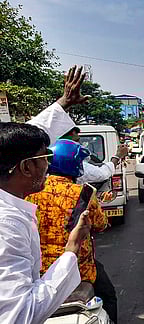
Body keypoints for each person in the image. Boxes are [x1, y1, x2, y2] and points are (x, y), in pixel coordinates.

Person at [0, 122, 91, 323]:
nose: (48, 165)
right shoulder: (7, 225)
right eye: (45, 158)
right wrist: (72, 249)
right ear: (26, 167)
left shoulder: (21, 203)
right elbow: (19, 314)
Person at [25, 139, 117, 322]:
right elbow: (100, 224)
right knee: (109, 296)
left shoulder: (31, 191)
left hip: (38, 270)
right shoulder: (83, 193)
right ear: (74, 165)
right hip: (79, 269)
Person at [61, 127, 129, 184]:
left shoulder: (53, 162)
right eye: (76, 141)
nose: (79, 145)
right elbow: (102, 174)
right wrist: (118, 155)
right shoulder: (73, 165)